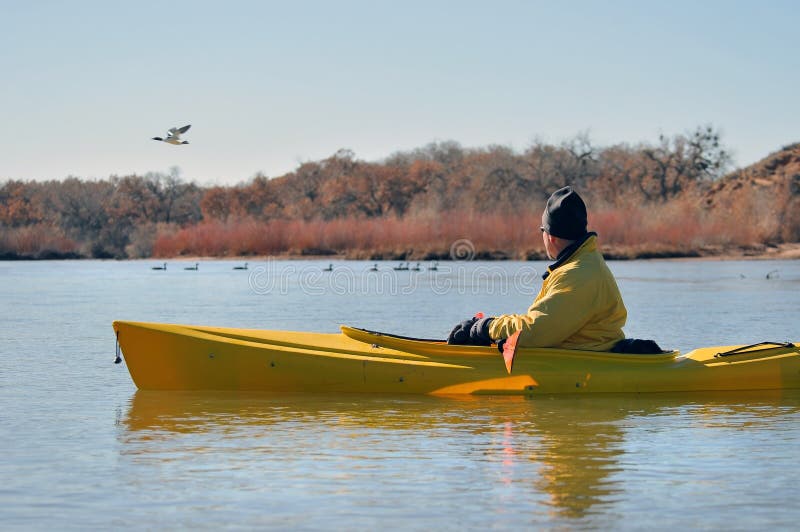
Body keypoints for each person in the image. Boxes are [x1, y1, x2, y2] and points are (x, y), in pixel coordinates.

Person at [448, 186, 642, 352]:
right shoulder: (586, 262)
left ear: (551, 236)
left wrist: (486, 327)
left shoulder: (577, 274)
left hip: (585, 364)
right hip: (581, 355)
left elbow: (535, 332)